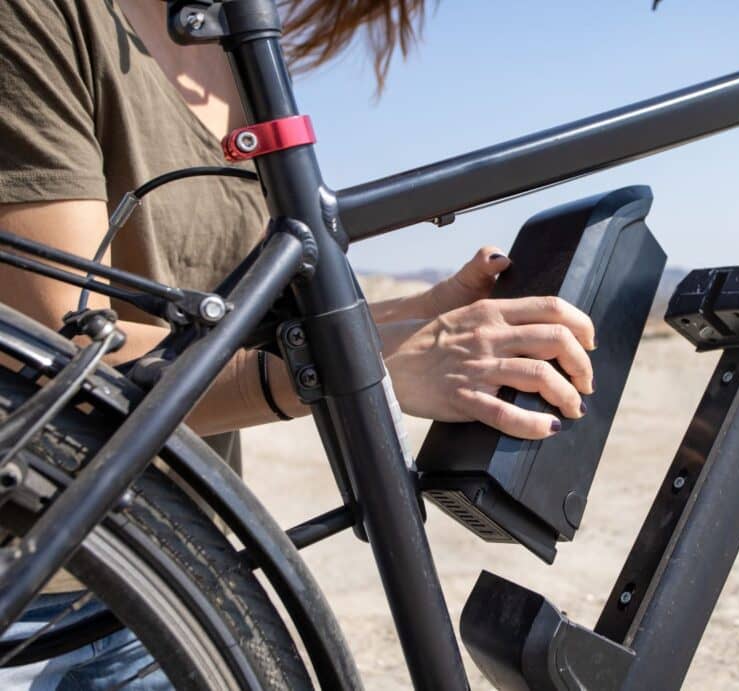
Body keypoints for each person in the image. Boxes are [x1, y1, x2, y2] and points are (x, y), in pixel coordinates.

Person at [0, 0, 594, 687]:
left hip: (170, 574)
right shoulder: (40, 17)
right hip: (30, 596)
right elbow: (58, 366)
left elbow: (227, 314)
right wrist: (337, 366)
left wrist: (406, 321)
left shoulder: (231, 48)